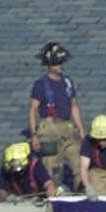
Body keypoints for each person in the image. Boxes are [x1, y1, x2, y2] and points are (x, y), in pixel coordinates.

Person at [28, 41, 86, 191]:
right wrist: (34, 134)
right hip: (49, 129)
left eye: (62, 62)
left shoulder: (67, 82)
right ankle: (54, 196)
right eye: (57, 63)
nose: (61, 65)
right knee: (52, 168)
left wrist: (80, 128)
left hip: (67, 127)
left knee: (79, 161)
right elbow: (33, 110)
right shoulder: (40, 84)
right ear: (49, 64)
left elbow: (74, 105)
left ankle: (82, 191)